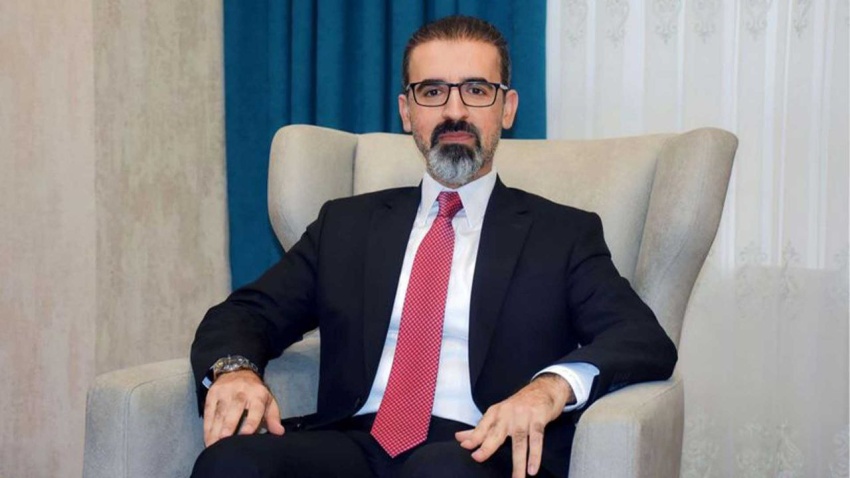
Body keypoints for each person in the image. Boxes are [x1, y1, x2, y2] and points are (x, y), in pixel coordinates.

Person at [190, 15, 676, 478]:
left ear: (507, 109)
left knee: (440, 471)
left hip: (479, 448)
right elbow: (246, 314)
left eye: (477, 90)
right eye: (432, 91)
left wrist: (550, 387)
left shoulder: (561, 234)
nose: (455, 111)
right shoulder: (347, 225)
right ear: (407, 112)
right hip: (354, 441)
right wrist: (235, 371)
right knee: (232, 463)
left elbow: (639, 337)